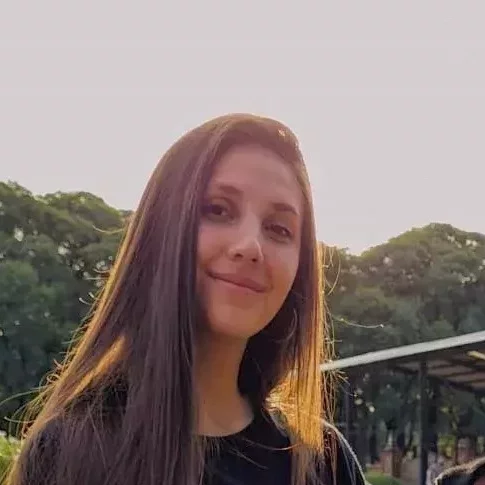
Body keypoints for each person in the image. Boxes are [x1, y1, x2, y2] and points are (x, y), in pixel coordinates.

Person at [6, 113, 366, 485]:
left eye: (278, 228)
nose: (250, 246)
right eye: (218, 210)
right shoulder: (71, 453)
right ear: (161, 229)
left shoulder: (325, 466)